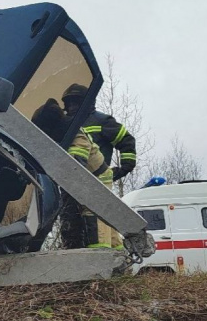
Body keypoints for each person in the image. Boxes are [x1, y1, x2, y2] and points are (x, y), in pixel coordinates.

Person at [31, 97, 116, 250]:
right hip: (89, 177)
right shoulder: (66, 133)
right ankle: (119, 257)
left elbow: (76, 167)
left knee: (95, 213)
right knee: (109, 221)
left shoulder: (74, 134)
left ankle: (99, 257)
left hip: (97, 178)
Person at [61, 83, 136, 247]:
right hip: (72, 182)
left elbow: (126, 140)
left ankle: (104, 259)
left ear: (86, 102)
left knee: (97, 217)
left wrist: (124, 168)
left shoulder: (102, 121)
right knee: (73, 222)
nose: (72, 107)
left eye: (76, 102)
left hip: (97, 178)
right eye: (70, 103)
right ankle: (117, 258)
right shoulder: (65, 123)